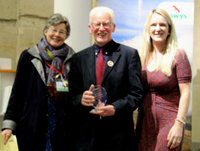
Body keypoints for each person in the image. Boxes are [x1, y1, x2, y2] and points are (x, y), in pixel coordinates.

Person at [69, 6, 144, 151]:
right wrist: (80, 99)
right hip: (86, 138)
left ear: (113, 27)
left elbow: (137, 94)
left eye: (106, 24)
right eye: (97, 24)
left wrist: (115, 108)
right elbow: (72, 96)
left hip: (118, 137)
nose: (101, 28)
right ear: (90, 28)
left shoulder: (129, 55)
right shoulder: (78, 58)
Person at [1, 13, 75, 151]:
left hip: (61, 129)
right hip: (32, 127)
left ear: (66, 36)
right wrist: (8, 125)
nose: (57, 34)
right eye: (54, 29)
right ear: (45, 31)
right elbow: (17, 94)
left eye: (62, 32)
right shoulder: (28, 56)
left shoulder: (72, 60)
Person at [136, 8, 192, 151]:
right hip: (144, 120)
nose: (158, 29)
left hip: (170, 121)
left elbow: (185, 93)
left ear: (169, 30)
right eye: (153, 25)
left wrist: (179, 124)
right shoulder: (141, 55)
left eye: (162, 25)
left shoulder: (178, 55)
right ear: (148, 29)